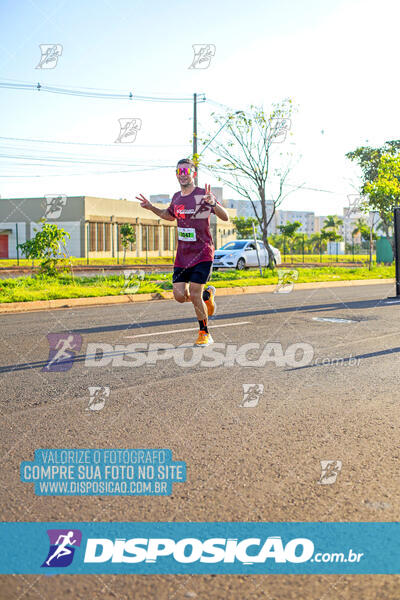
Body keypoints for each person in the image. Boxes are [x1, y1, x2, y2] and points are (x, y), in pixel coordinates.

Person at [136, 158, 229, 346]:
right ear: (176, 174)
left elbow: (225, 216)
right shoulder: (177, 197)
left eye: (186, 171)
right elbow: (167, 216)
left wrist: (213, 204)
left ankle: (204, 333)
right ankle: (206, 297)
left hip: (203, 252)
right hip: (182, 255)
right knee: (179, 296)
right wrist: (150, 207)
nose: (183, 174)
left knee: (194, 292)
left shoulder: (203, 195)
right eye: (179, 171)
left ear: (193, 174)